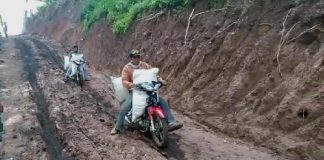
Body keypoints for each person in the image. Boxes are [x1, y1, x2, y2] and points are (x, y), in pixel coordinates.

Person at [110, 49, 183, 135]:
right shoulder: (127, 68)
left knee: (162, 102)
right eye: (134, 57)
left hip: (148, 89)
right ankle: (117, 127)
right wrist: (132, 85)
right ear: (131, 58)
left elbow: (153, 74)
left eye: (138, 56)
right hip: (136, 91)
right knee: (124, 108)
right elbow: (124, 81)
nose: (137, 58)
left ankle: (171, 122)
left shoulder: (145, 65)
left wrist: (160, 80)